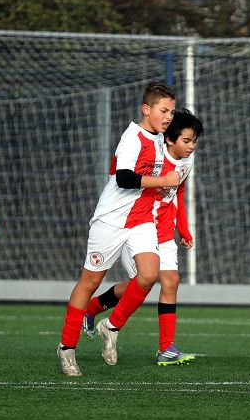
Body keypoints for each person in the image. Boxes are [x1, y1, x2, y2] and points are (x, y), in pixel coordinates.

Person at [57, 81, 180, 377]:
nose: (168, 117)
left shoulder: (159, 140)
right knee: (90, 282)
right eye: (163, 111)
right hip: (111, 220)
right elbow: (123, 178)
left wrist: (162, 188)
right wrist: (163, 182)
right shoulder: (132, 137)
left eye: (171, 112)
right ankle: (67, 347)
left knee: (149, 275)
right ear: (146, 109)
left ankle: (111, 327)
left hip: (141, 220)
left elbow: (141, 178)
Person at [81, 108, 203, 366]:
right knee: (141, 283)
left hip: (165, 230)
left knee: (171, 281)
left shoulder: (186, 162)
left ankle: (166, 349)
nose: (192, 146)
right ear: (169, 139)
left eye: (194, 141)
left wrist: (183, 229)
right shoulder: (153, 156)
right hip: (142, 226)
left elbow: (179, 192)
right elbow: (123, 177)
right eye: (187, 140)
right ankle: (93, 309)